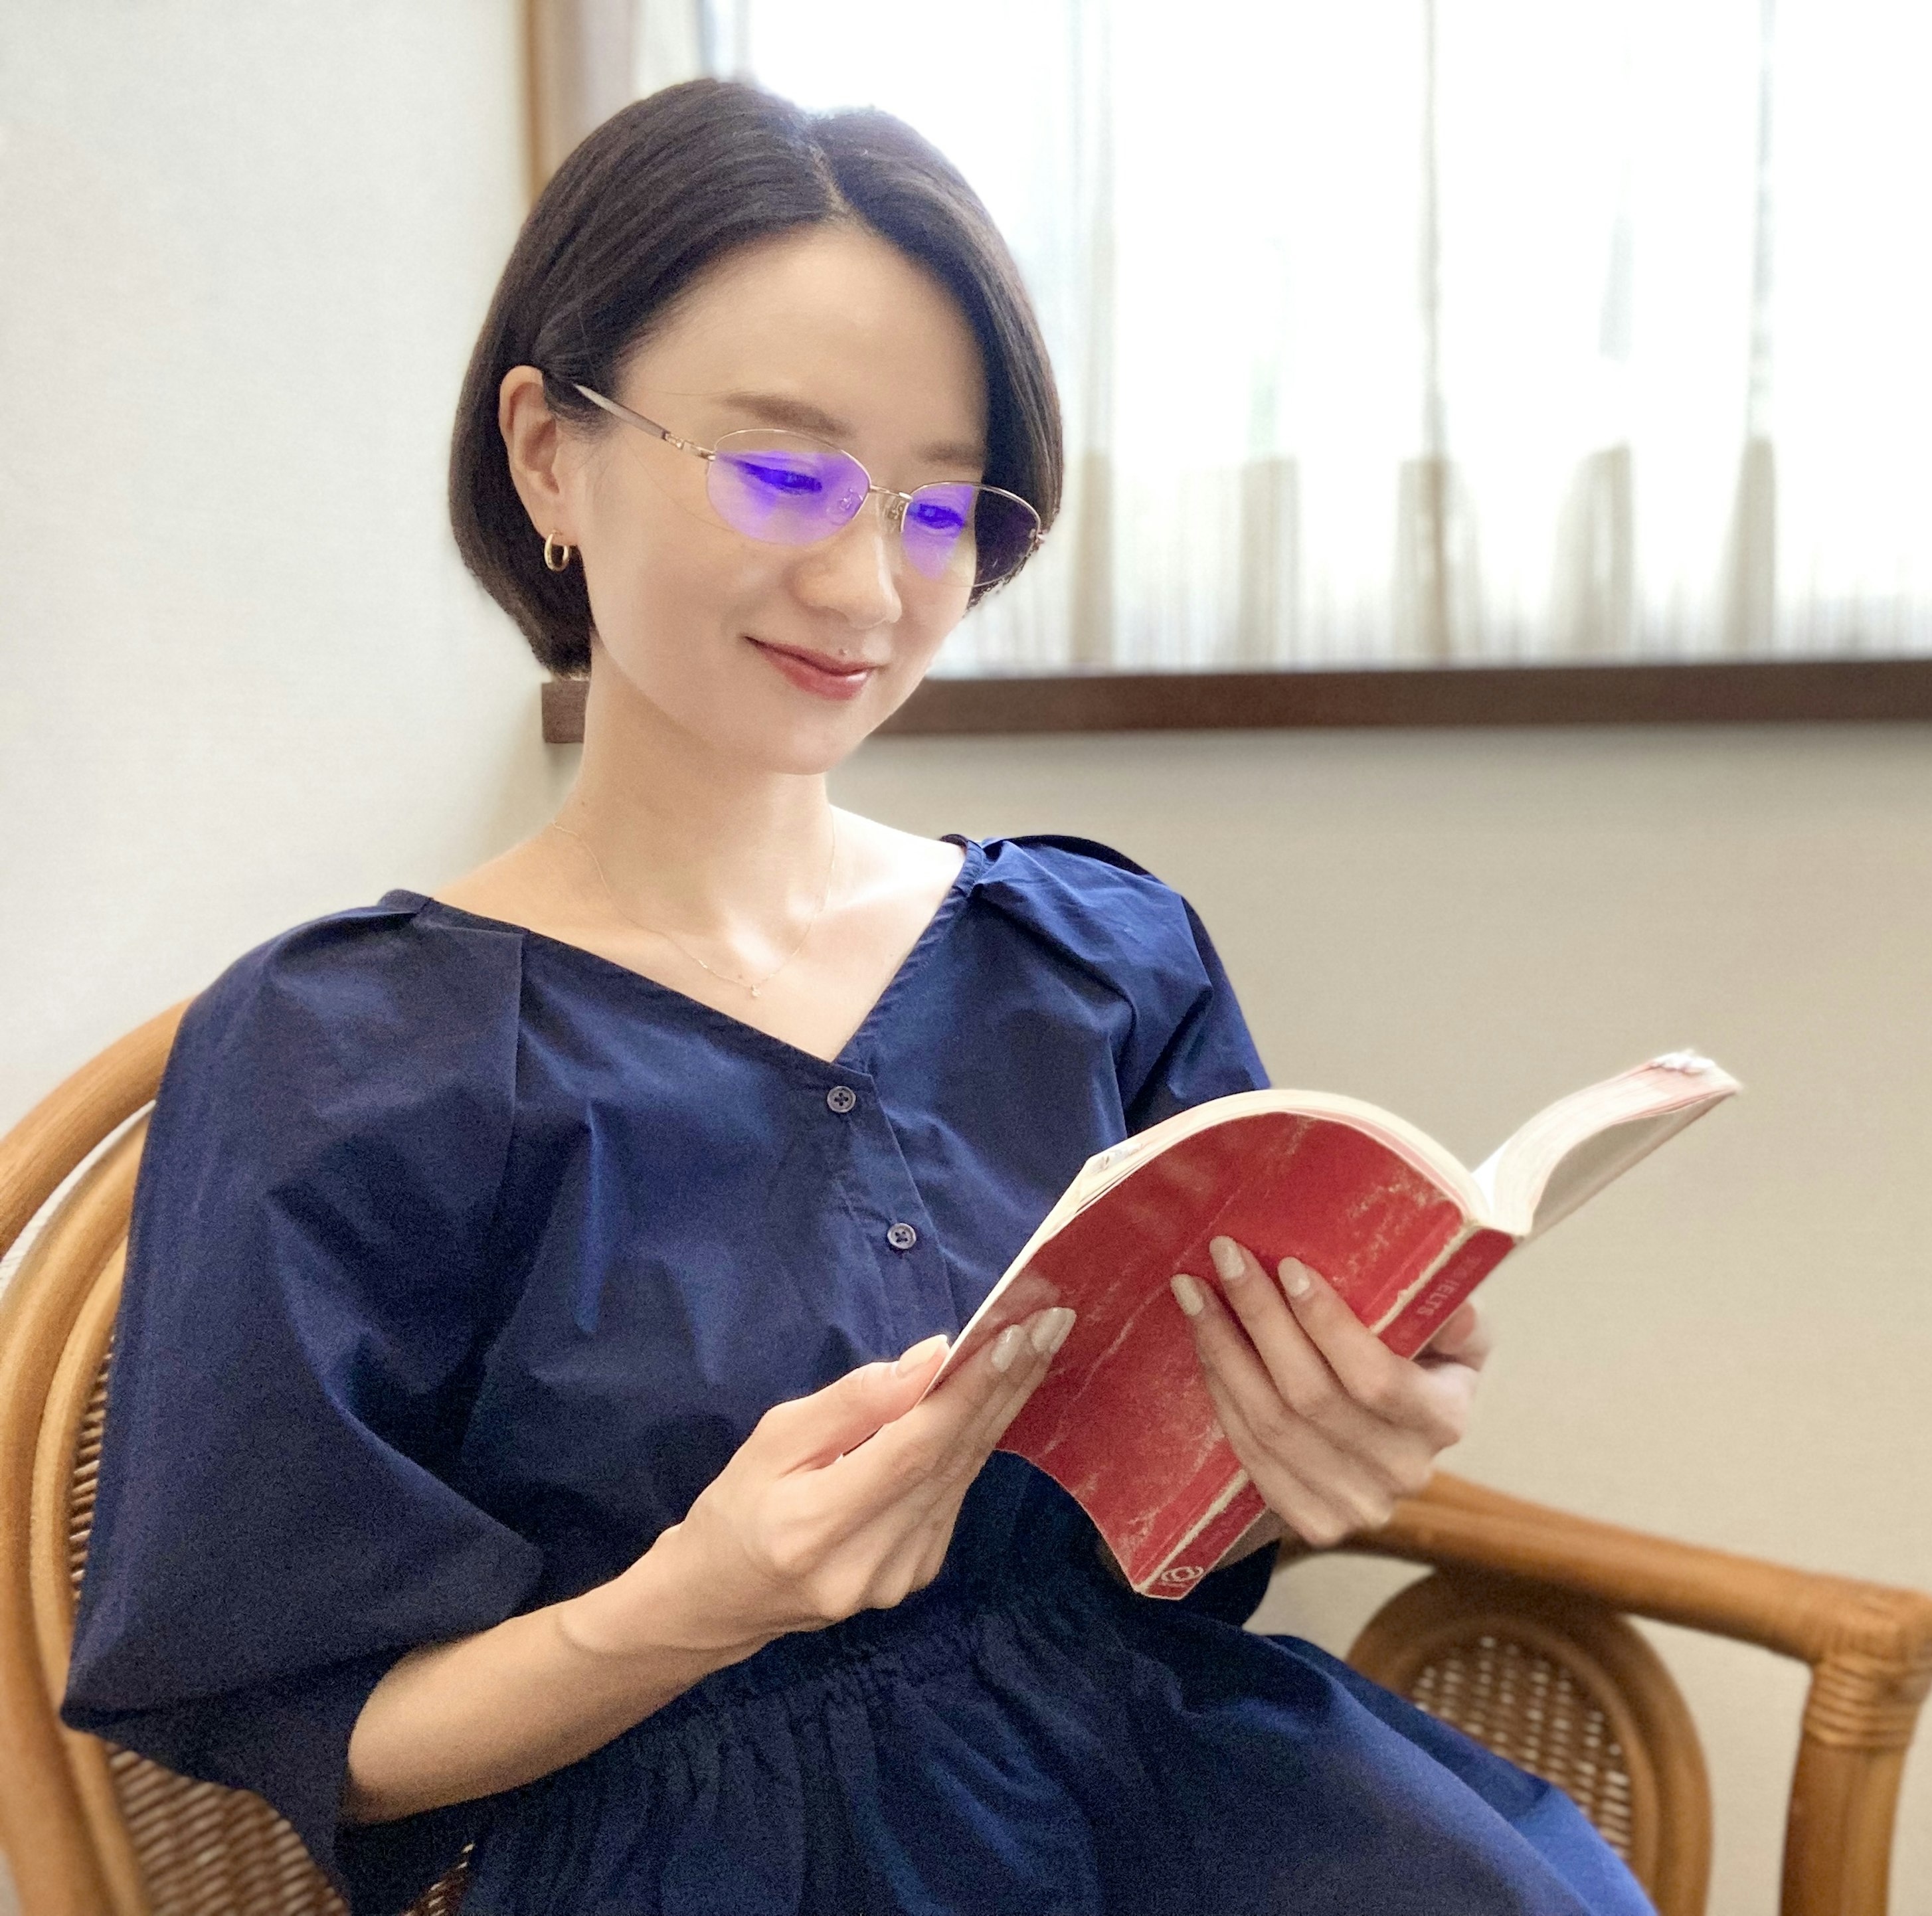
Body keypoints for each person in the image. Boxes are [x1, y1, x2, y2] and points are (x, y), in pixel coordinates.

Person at [60, 79, 1656, 1916]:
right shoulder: (341, 1056)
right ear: (547, 453)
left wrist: (1329, 1434)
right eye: (781, 467)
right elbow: (310, 1719)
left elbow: (1181, 1540)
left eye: (938, 504)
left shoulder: (1096, 957)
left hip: (1197, 1801)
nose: (865, 583)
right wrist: (688, 1607)